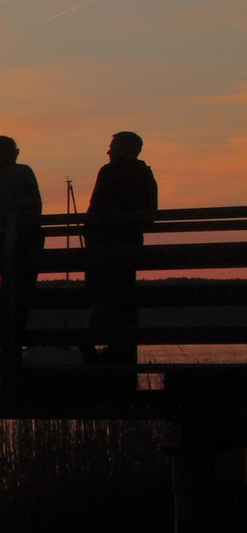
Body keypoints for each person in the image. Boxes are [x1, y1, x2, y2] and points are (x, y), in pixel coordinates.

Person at [84, 131, 157, 366]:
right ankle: (120, 351)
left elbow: (95, 209)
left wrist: (89, 236)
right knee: (124, 295)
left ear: (124, 149)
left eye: (112, 146)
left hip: (104, 245)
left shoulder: (108, 172)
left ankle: (92, 342)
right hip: (130, 244)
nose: (108, 151)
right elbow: (150, 213)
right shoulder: (145, 173)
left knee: (101, 292)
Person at [0, 135, 43, 349]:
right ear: (11, 152)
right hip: (27, 235)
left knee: (10, 286)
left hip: (1, 237)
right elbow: (37, 205)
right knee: (24, 290)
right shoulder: (23, 171)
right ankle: (11, 339)